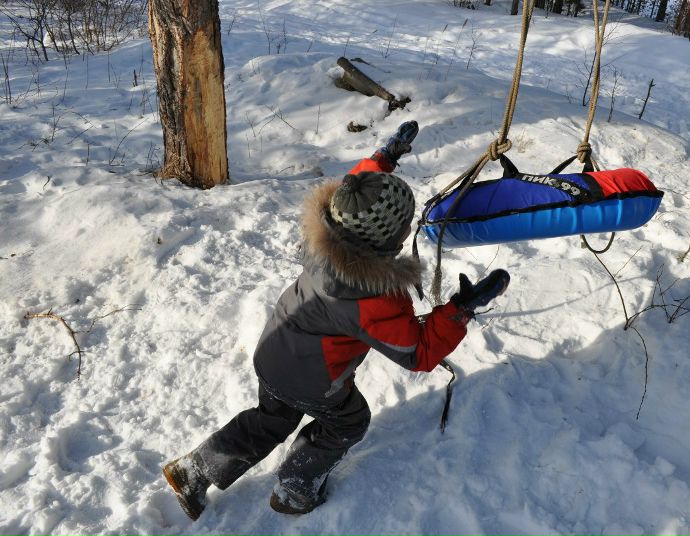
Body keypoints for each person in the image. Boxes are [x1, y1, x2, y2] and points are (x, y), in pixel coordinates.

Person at [162, 121, 510, 519]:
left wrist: (383, 159)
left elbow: (354, 193)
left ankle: (194, 471)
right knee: (349, 422)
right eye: (401, 232)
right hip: (313, 376)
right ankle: (295, 488)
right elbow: (417, 352)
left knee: (271, 419)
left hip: (276, 348)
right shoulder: (372, 297)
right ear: (387, 243)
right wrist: (459, 311)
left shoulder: (323, 232)